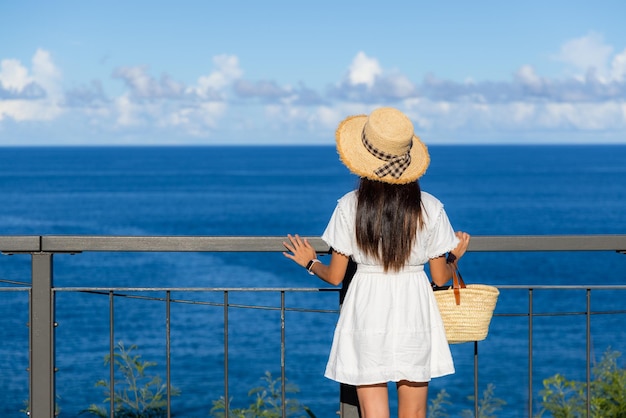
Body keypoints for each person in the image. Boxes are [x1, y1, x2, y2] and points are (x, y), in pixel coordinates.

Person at [283, 107, 470, 418]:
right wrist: (453, 258)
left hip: (366, 305)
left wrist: (310, 262)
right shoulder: (431, 208)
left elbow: (335, 276)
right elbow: (439, 279)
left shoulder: (349, 206)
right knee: (415, 414)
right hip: (414, 306)